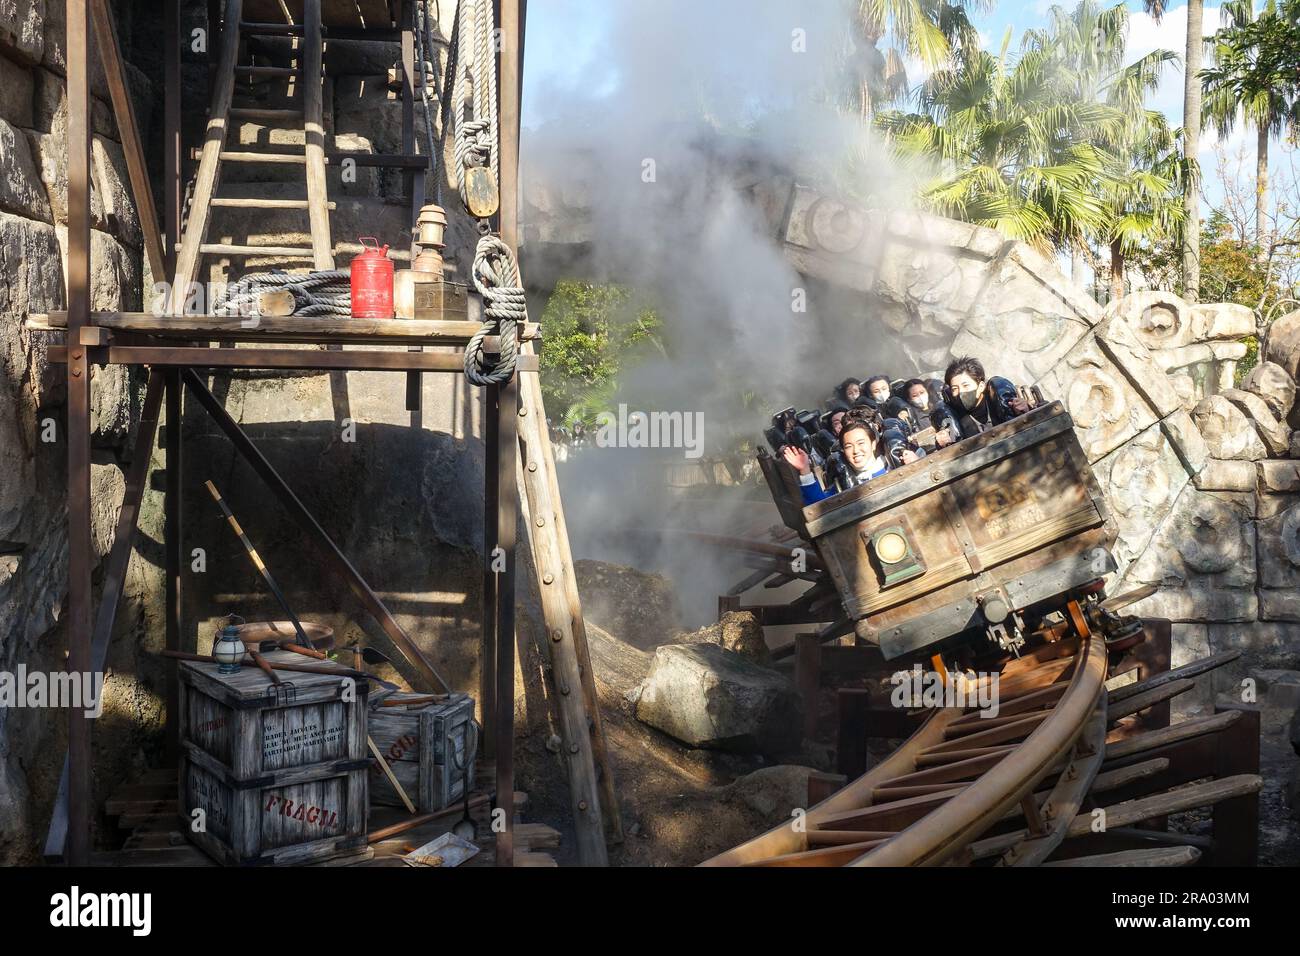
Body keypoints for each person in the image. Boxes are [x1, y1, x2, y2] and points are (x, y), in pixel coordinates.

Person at [781, 414, 891, 505]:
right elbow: (819, 506)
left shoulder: (891, 467)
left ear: (873, 444)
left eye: (861, 443)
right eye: (848, 446)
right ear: (842, 450)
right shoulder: (844, 482)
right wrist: (805, 470)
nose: (856, 450)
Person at [943, 356, 1030, 441]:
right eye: (955, 389)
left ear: (981, 386)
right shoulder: (956, 417)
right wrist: (944, 440)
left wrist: (1025, 410)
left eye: (966, 385)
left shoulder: (999, 400)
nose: (960, 392)